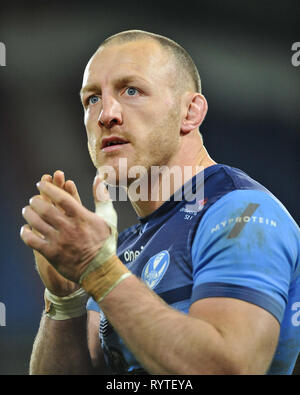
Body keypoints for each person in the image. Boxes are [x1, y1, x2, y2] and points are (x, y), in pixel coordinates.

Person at [20, 30, 300, 375]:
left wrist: (99, 269)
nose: (106, 113)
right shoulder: (121, 247)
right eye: (92, 98)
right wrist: (65, 303)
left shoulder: (242, 214)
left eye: (131, 90)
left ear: (190, 112)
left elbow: (229, 368)